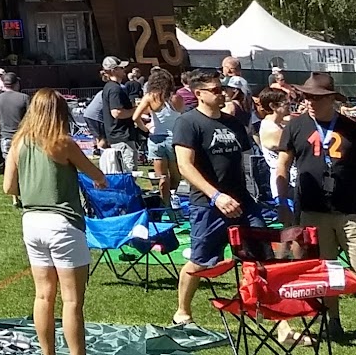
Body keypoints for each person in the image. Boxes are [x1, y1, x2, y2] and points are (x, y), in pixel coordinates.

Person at [3, 88, 111, 355]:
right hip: (62, 223)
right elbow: (96, 175)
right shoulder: (63, 142)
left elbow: (9, 187)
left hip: (31, 223)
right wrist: (100, 181)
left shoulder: (19, 142)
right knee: (72, 301)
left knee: (43, 296)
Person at [275, 73, 356, 342]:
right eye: (307, 96)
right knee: (324, 270)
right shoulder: (295, 127)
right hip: (313, 210)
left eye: (316, 97)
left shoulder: (353, 129)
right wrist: (282, 201)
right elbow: (282, 165)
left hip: (353, 211)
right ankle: (332, 322)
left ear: (331, 99)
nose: (310, 102)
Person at [173, 70, 265, 327]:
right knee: (200, 261)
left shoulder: (233, 122)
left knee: (259, 257)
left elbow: (247, 162)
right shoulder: (188, 122)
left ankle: (278, 323)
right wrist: (216, 196)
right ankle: (182, 311)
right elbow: (185, 166)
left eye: (221, 88)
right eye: (214, 90)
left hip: (243, 202)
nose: (221, 93)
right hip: (208, 204)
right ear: (198, 93)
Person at [142, 74, 187, 206]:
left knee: (161, 177)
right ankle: (173, 196)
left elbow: (135, 117)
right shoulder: (176, 98)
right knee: (175, 174)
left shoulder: (150, 97)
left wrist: (146, 128)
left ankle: (165, 203)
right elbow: (182, 114)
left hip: (155, 138)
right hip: (173, 138)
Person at [92, 57, 136, 175]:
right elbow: (116, 112)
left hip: (116, 135)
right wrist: (135, 111)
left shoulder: (109, 87)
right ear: (114, 70)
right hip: (121, 136)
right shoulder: (115, 89)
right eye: (121, 68)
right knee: (128, 171)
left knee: (121, 171)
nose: (124, 70)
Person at [0, 71, 31, 166]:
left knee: (9, 165)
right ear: (16, 83)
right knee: (24, 163)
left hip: (6, 137)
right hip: (22, 137)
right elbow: (30, 118)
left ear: (3, 84)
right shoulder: (24, 98)